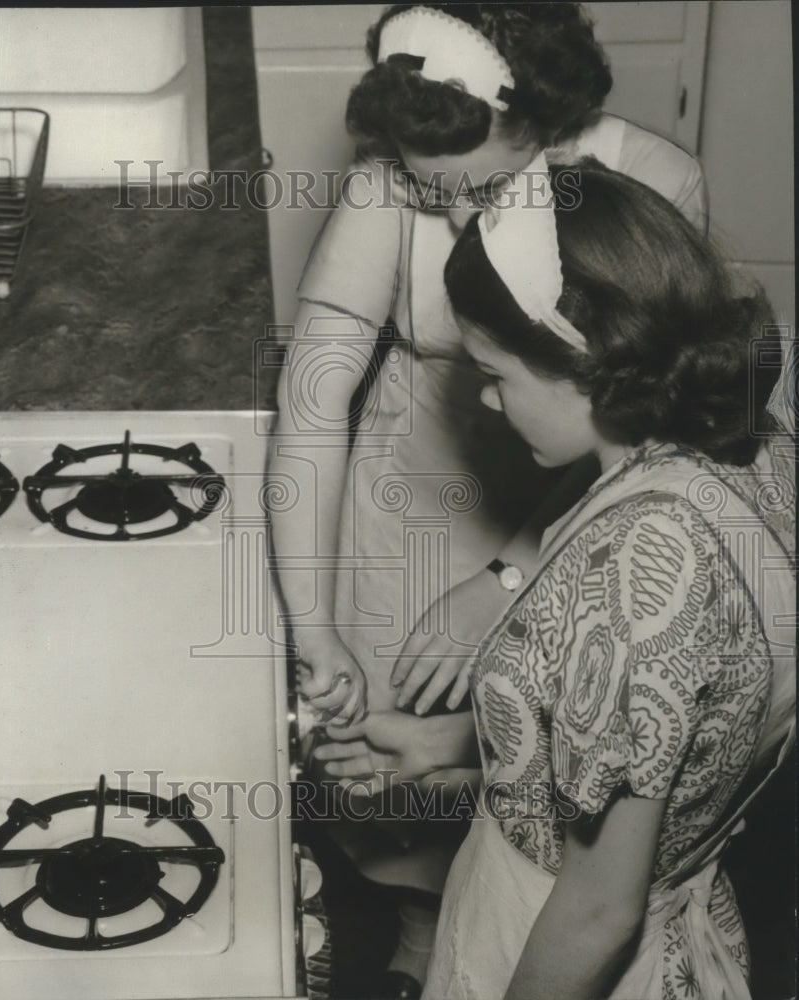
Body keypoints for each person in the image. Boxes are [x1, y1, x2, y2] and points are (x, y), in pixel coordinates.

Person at [269, 4, 707, 994]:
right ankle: (428, 933)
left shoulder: (652, 181)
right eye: (436, 195)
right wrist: (312, 621)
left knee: (550, 768)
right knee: (389, 750)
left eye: (491, 190)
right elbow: (311, 398)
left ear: (545, 128)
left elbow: (653, 436)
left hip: (569, 492)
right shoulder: (396, 171)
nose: (461, 219)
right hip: (414, 474)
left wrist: (507, 577)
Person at [410, 157, 795, 1000]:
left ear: (586, 361)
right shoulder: (752, 442)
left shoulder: (634, 577)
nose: (484, 401)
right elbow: (671, 740)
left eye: (495, 374)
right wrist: (447, 746)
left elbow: (597, 911)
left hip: (555, 945)